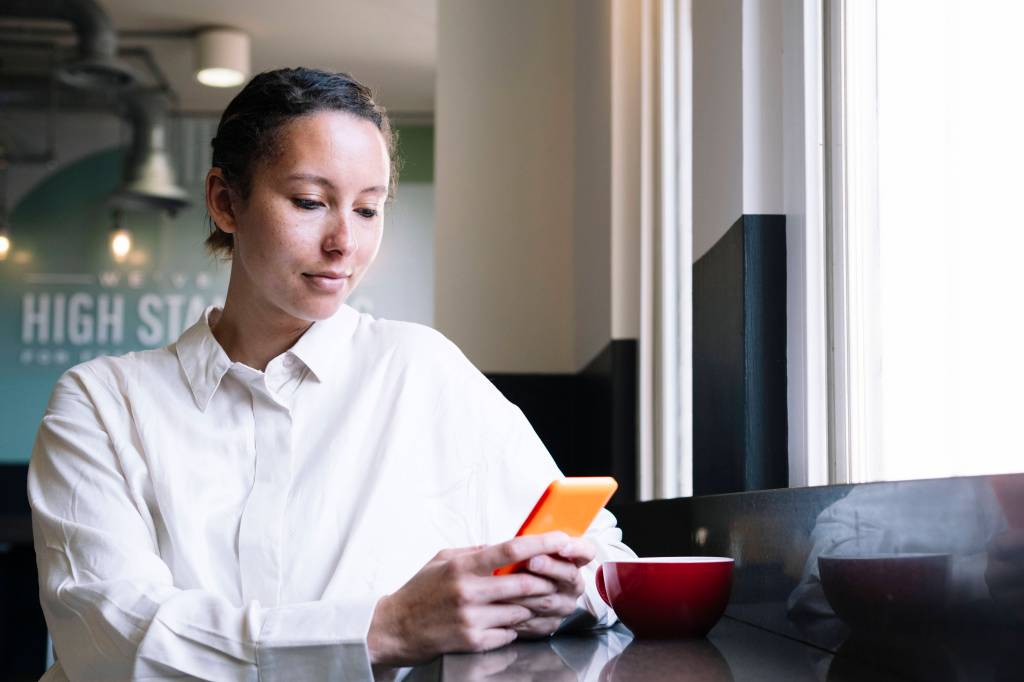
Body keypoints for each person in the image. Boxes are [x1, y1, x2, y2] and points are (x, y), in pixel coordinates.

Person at [28, 67, 635, 682]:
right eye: (310, 203)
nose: (345, 241)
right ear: (224, 200)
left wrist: (546, 593)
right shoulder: (102, 404)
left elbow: (604, 562)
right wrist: (387, 628)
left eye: (369, 209)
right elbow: (110, 637)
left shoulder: (421, 370)